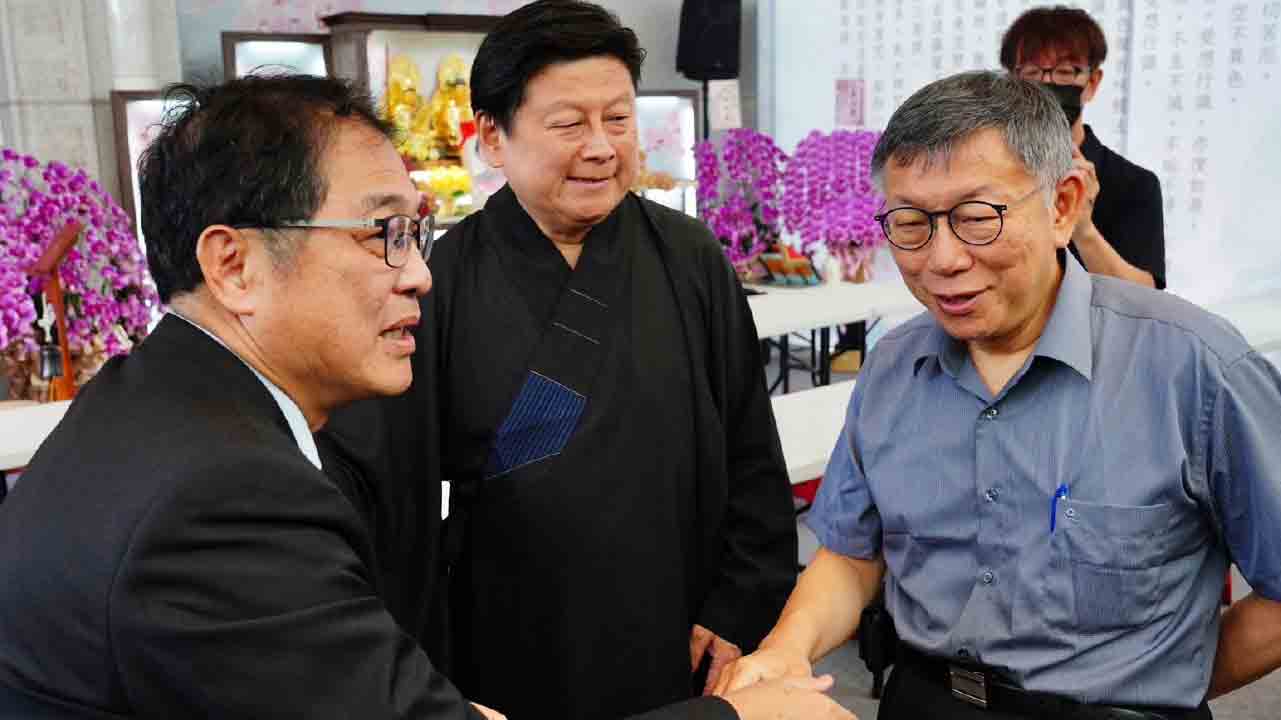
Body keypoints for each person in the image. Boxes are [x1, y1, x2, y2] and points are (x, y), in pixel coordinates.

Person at [0, 73, 843, 720]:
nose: (418, 275)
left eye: (418, 232)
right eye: (383, 234)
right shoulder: (221, 498)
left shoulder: (152, 402)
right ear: (234, 265)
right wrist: (739, 717)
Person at [713, 71, 1281, 719]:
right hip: (924, 702)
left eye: (977, 218)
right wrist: (787, 649)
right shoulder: (893, 368)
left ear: (1062, 205)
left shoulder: (1192, 366)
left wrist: (1165, 683)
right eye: (911, 223)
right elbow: (850, 555)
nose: (943, 259)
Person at [326, 2, 798, 718]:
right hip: (504, 636)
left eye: (618, 119)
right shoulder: (438, 280)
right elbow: (390, 484)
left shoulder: (691, 258)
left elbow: (750, 449)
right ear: (492, 136)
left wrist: (738, 604)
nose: (602, 147)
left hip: (678, 624)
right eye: (569, 124)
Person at [1001, 5, 1166, 289]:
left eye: (1065, 71)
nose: (1047, 83)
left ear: (1092, 83)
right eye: (1031, 71)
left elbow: (1145, 300)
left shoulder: (1134, 185)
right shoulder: (990, 171)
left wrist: (1083, 228)